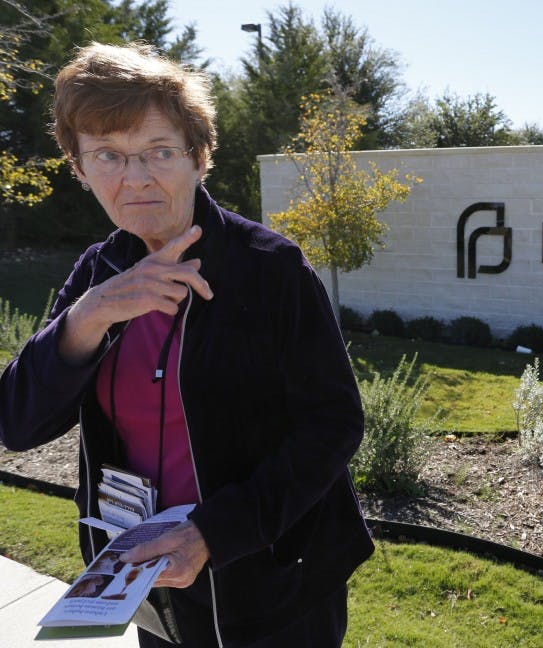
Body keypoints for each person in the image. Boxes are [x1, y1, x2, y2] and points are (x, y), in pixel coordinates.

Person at [0, 42, 373, 647]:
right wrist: (89, 315)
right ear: (80, 168)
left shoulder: (270, 268)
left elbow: (333, 425)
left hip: (271, 579)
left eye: (159, 151)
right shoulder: (98, 273)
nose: (136, 178)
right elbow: (17, 424)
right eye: (107, 155)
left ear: (199, 156)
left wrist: (211, 534)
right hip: (149, 576)